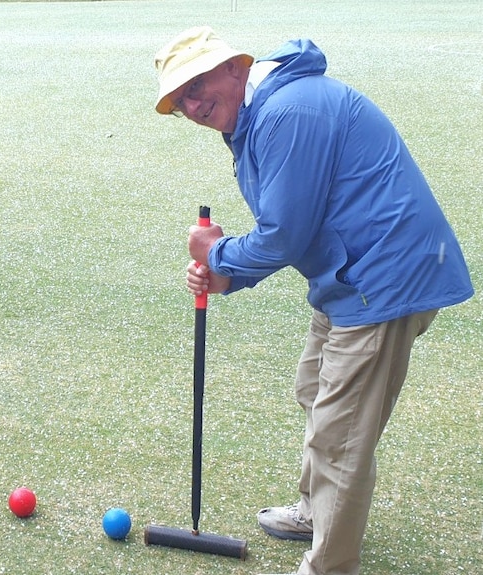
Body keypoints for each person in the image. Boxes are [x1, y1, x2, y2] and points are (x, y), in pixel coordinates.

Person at [153, 26, 474, 575]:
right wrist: (227, 273)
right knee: (314, 389)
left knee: (340, 433)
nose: (192, 103)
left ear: (235, 66)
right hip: (350, 274)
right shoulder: (261, 114)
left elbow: (283, 235)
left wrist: (220, 254)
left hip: (384, 279)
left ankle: (330, 564)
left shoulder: (289, 112)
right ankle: (316, 510)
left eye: (198, 82)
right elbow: (292, 226)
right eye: (180, 98)